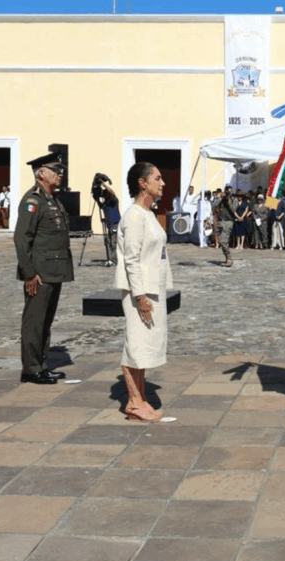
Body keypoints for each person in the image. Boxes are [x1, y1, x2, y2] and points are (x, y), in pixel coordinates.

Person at [113, 162, 176, 421]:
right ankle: (133, 402)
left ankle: (139, 398)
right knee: (136, 346)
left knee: (146, 346)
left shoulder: (148, 214)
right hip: (140, 291)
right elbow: (131, 260)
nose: (162, 183)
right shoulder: (134, 216)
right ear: (143, 183)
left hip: (153, 287)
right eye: (157, 179)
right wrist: (140, 297)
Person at [14, 151, 74, 385]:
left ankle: (41, 364)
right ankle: (30, 369)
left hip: (53, 271)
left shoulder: (52, 199)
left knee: (46, 322)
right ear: (41, 174)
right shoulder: (33, 200)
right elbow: (22, 239)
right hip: (39, 273)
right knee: (34, 321)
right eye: (55, 171)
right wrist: (29, 273)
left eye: (60, 171)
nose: (60, 175)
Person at [95, 176, 121, 265]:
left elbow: (112, 193)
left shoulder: (113, 200)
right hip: (109, 224)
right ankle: (113, 258)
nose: (104, 195)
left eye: (104, 194)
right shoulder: (106, 203)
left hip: (115, 224)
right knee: (110, 243)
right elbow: (101, 207)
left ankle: (115, 260)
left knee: (114, 243)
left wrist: (103, 184)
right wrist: (97, 199)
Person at [213, 187, 238, 266]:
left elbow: (233, 209)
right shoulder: (221, 199)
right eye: (226, 192)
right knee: (221, 241)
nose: (228, 193)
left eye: (229, 192)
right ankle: (227, 257)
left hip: (228, 221)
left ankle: (229, 258)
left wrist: (228, 201)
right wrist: (220, 199)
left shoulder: (234, 199)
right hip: (220, 221)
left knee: (224, 241)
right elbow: (213, 206)